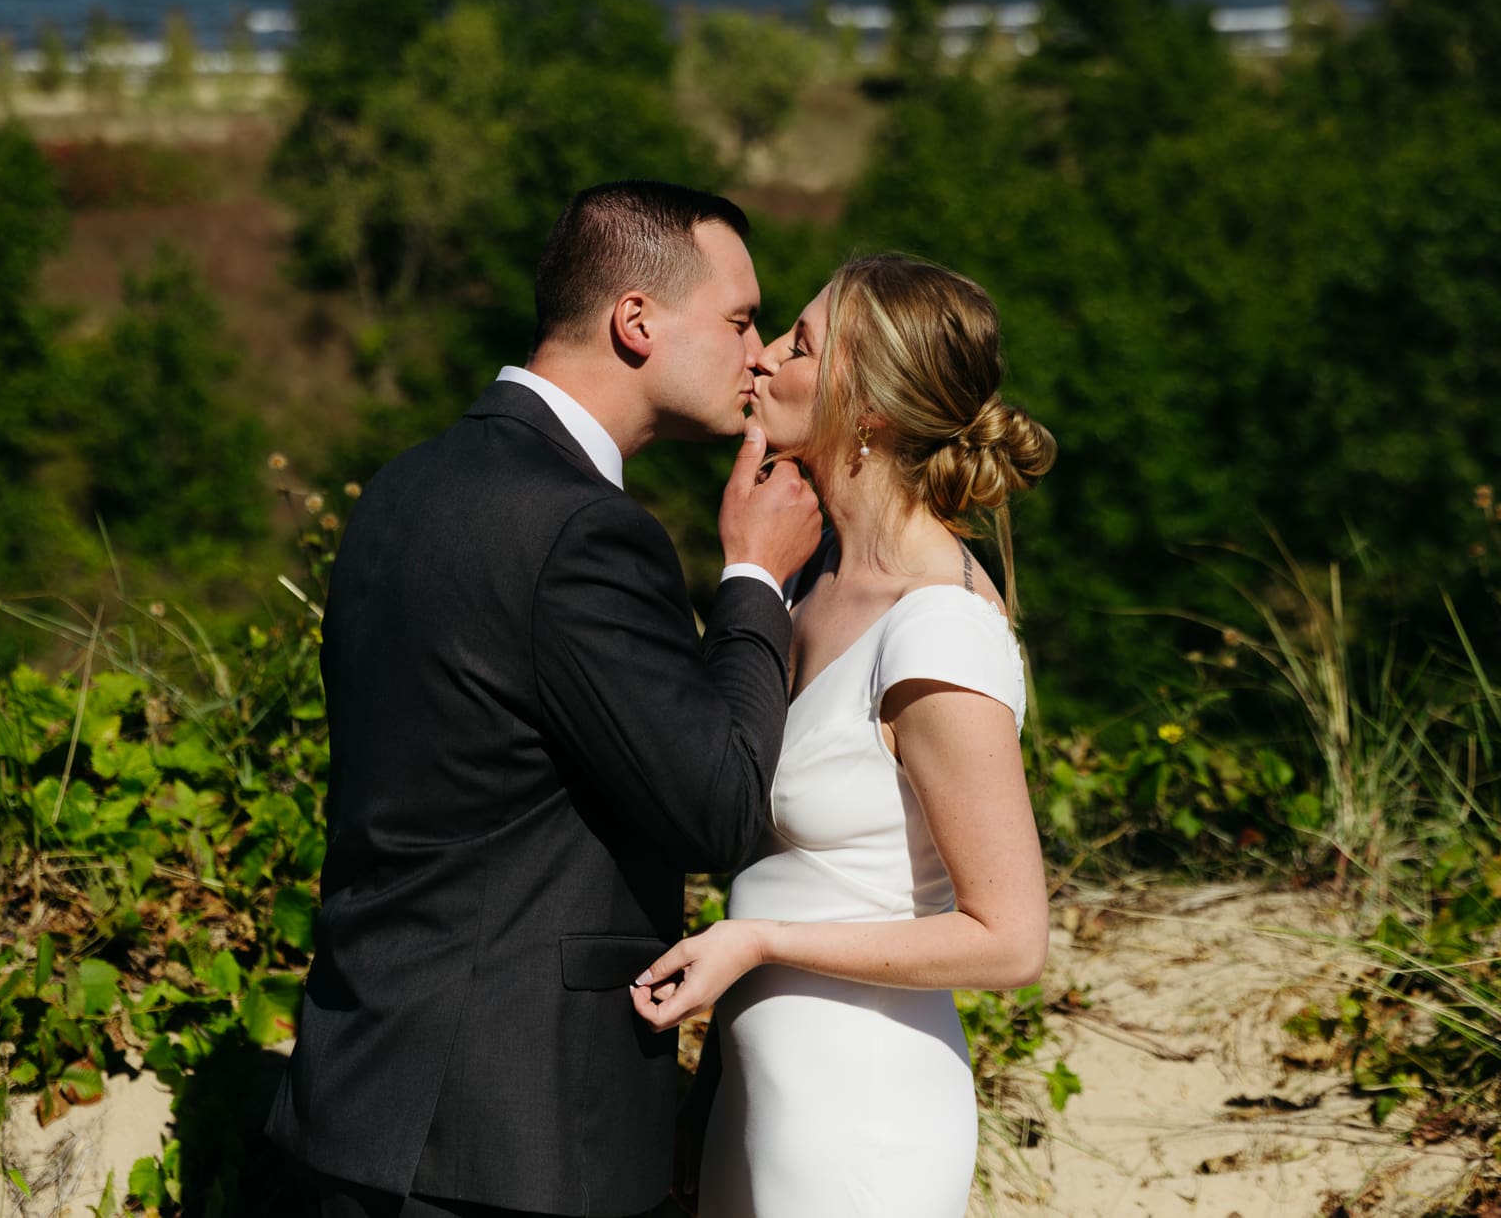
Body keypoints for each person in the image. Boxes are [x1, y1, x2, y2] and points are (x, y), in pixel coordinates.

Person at [266, 181, 822, 1218]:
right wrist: (752, 579)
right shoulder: (580, 530)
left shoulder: (399, 488)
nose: (757, 354)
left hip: (347, 1104)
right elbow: (717, 807)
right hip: (513, 1147)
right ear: (635, 320)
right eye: (741, 320)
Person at [629, 254, 1056, 1218]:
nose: (765, 353)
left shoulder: (937, 625)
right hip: (757, 1102)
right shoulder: (809, 580)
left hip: (861, 1119)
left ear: (866, 410)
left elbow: (1011, 939)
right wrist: (710, 1100)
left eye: (801, 342)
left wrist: (759, 939)